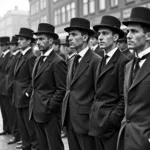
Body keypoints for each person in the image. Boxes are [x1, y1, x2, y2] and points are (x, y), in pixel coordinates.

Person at [89, 15, 129, 150]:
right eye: (99, 34)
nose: (100, 37)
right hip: (97, 124)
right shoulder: (101, 60)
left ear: (116, 37)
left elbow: (124, 98)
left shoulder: (123, 62)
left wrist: (112, 119)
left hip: (110, 127)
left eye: (105, 34)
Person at [62, 17, 101, 150]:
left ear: (85, 37)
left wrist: (92, 119)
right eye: (69, 35)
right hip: (71, 120)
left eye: (73, 35)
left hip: (86, 122)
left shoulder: (96, 61)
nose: (69, 38)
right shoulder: (72, 60)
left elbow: (98, 93)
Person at [29, 23, 67, 150]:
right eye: (37, 39)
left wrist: (49, 106)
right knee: (43, 146)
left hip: (49, 113)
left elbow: (62, 89)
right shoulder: (39, 59)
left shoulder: (57, 61)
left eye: (41, 39)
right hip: (37, 111)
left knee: (54, 146)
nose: (38, 42)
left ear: (50, 41)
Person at [117, 7, 150, 150]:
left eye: (134, 31)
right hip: (126, 138)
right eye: (128, 31)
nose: (128, 36)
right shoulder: (128, 66)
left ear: (148, 36)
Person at [13, 28, 38, 150]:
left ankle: (33, 147)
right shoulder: (21, 55)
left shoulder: (31, 57)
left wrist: (27, 93)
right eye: (18, 39)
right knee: (22, 126)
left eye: (21, 39)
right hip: (18, 96)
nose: (19, 41)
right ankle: (26, 145)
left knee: (30, 127)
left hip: (25, 98)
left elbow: (34, 79)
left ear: (29, 41)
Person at [5, 36, 21, 144]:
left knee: (15, 115)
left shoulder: (18, 56)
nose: (10, 46)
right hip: (11, 89)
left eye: (12, 44)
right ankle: (17, 135)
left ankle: (17, 135)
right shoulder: (13, 56)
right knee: (12, 114)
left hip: (17, 90)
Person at [0, 36, 11, 135]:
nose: (2, 47)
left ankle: (11, 129)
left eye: (4, 45)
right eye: (1, 45)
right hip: (1, 87)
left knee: (9, 110)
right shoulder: (2, 56)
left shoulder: (9, 56)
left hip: (6, 87)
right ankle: (6, 127)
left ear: (8, 45)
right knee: (3, 110)